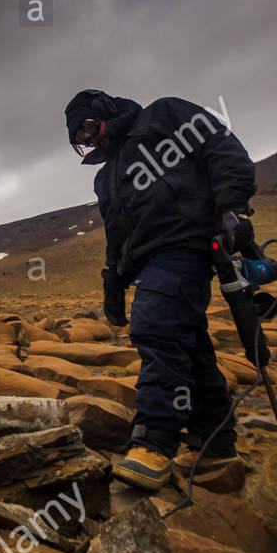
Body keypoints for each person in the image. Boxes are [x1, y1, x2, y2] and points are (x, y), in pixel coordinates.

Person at [64, 89, 257, 491]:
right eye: (80, 139)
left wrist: (232, 207)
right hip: (147, 259)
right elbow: (116, 232)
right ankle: (215, 444)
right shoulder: (107, 175)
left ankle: (154, 440)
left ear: (105, 111)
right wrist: (113, 281)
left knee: (156, 328)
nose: (90, 141)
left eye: (88, 128)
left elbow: (220, 147)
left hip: (185, 242)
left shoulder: (163, 115)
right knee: (189, 343)